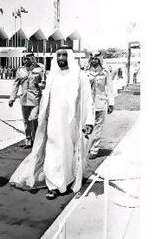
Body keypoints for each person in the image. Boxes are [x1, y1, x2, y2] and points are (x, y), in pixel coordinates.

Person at [9, 46, 95, 200]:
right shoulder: (52, 75)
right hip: (53, 122)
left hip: (72, 123)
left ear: (70, 56)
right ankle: (53, 185)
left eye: (64, 55)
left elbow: (88, 100)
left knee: (68, 153)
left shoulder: (79, 75)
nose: (61, 58)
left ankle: (67, 179)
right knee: (53, 151)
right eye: (59, 55)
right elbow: (47, 100)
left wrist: (89, 121)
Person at [9, 53, 44, 148]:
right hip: (24, 99)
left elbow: (44, 84)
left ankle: (36, 139)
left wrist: (41, 86)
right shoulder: (20, 71)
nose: (25, 61)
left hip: (35, 98)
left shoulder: (39, 70)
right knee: (25, 120)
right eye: (24, 59)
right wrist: (12, 98)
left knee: (34, 118)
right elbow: (16, 85)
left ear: (32, 59)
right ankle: (28, 140)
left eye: (27, 59)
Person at [86, 56, 115, 159]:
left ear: (99, 60)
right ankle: (86, 147)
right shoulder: (85, 71)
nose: (94, 60)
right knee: (87, 126)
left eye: (96, 58)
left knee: (98, 128)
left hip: (100, 103)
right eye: (92, 58)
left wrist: (111, 103)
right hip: (87, 104)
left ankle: (94, 150)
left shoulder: (105, 72)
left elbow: (110, 87)